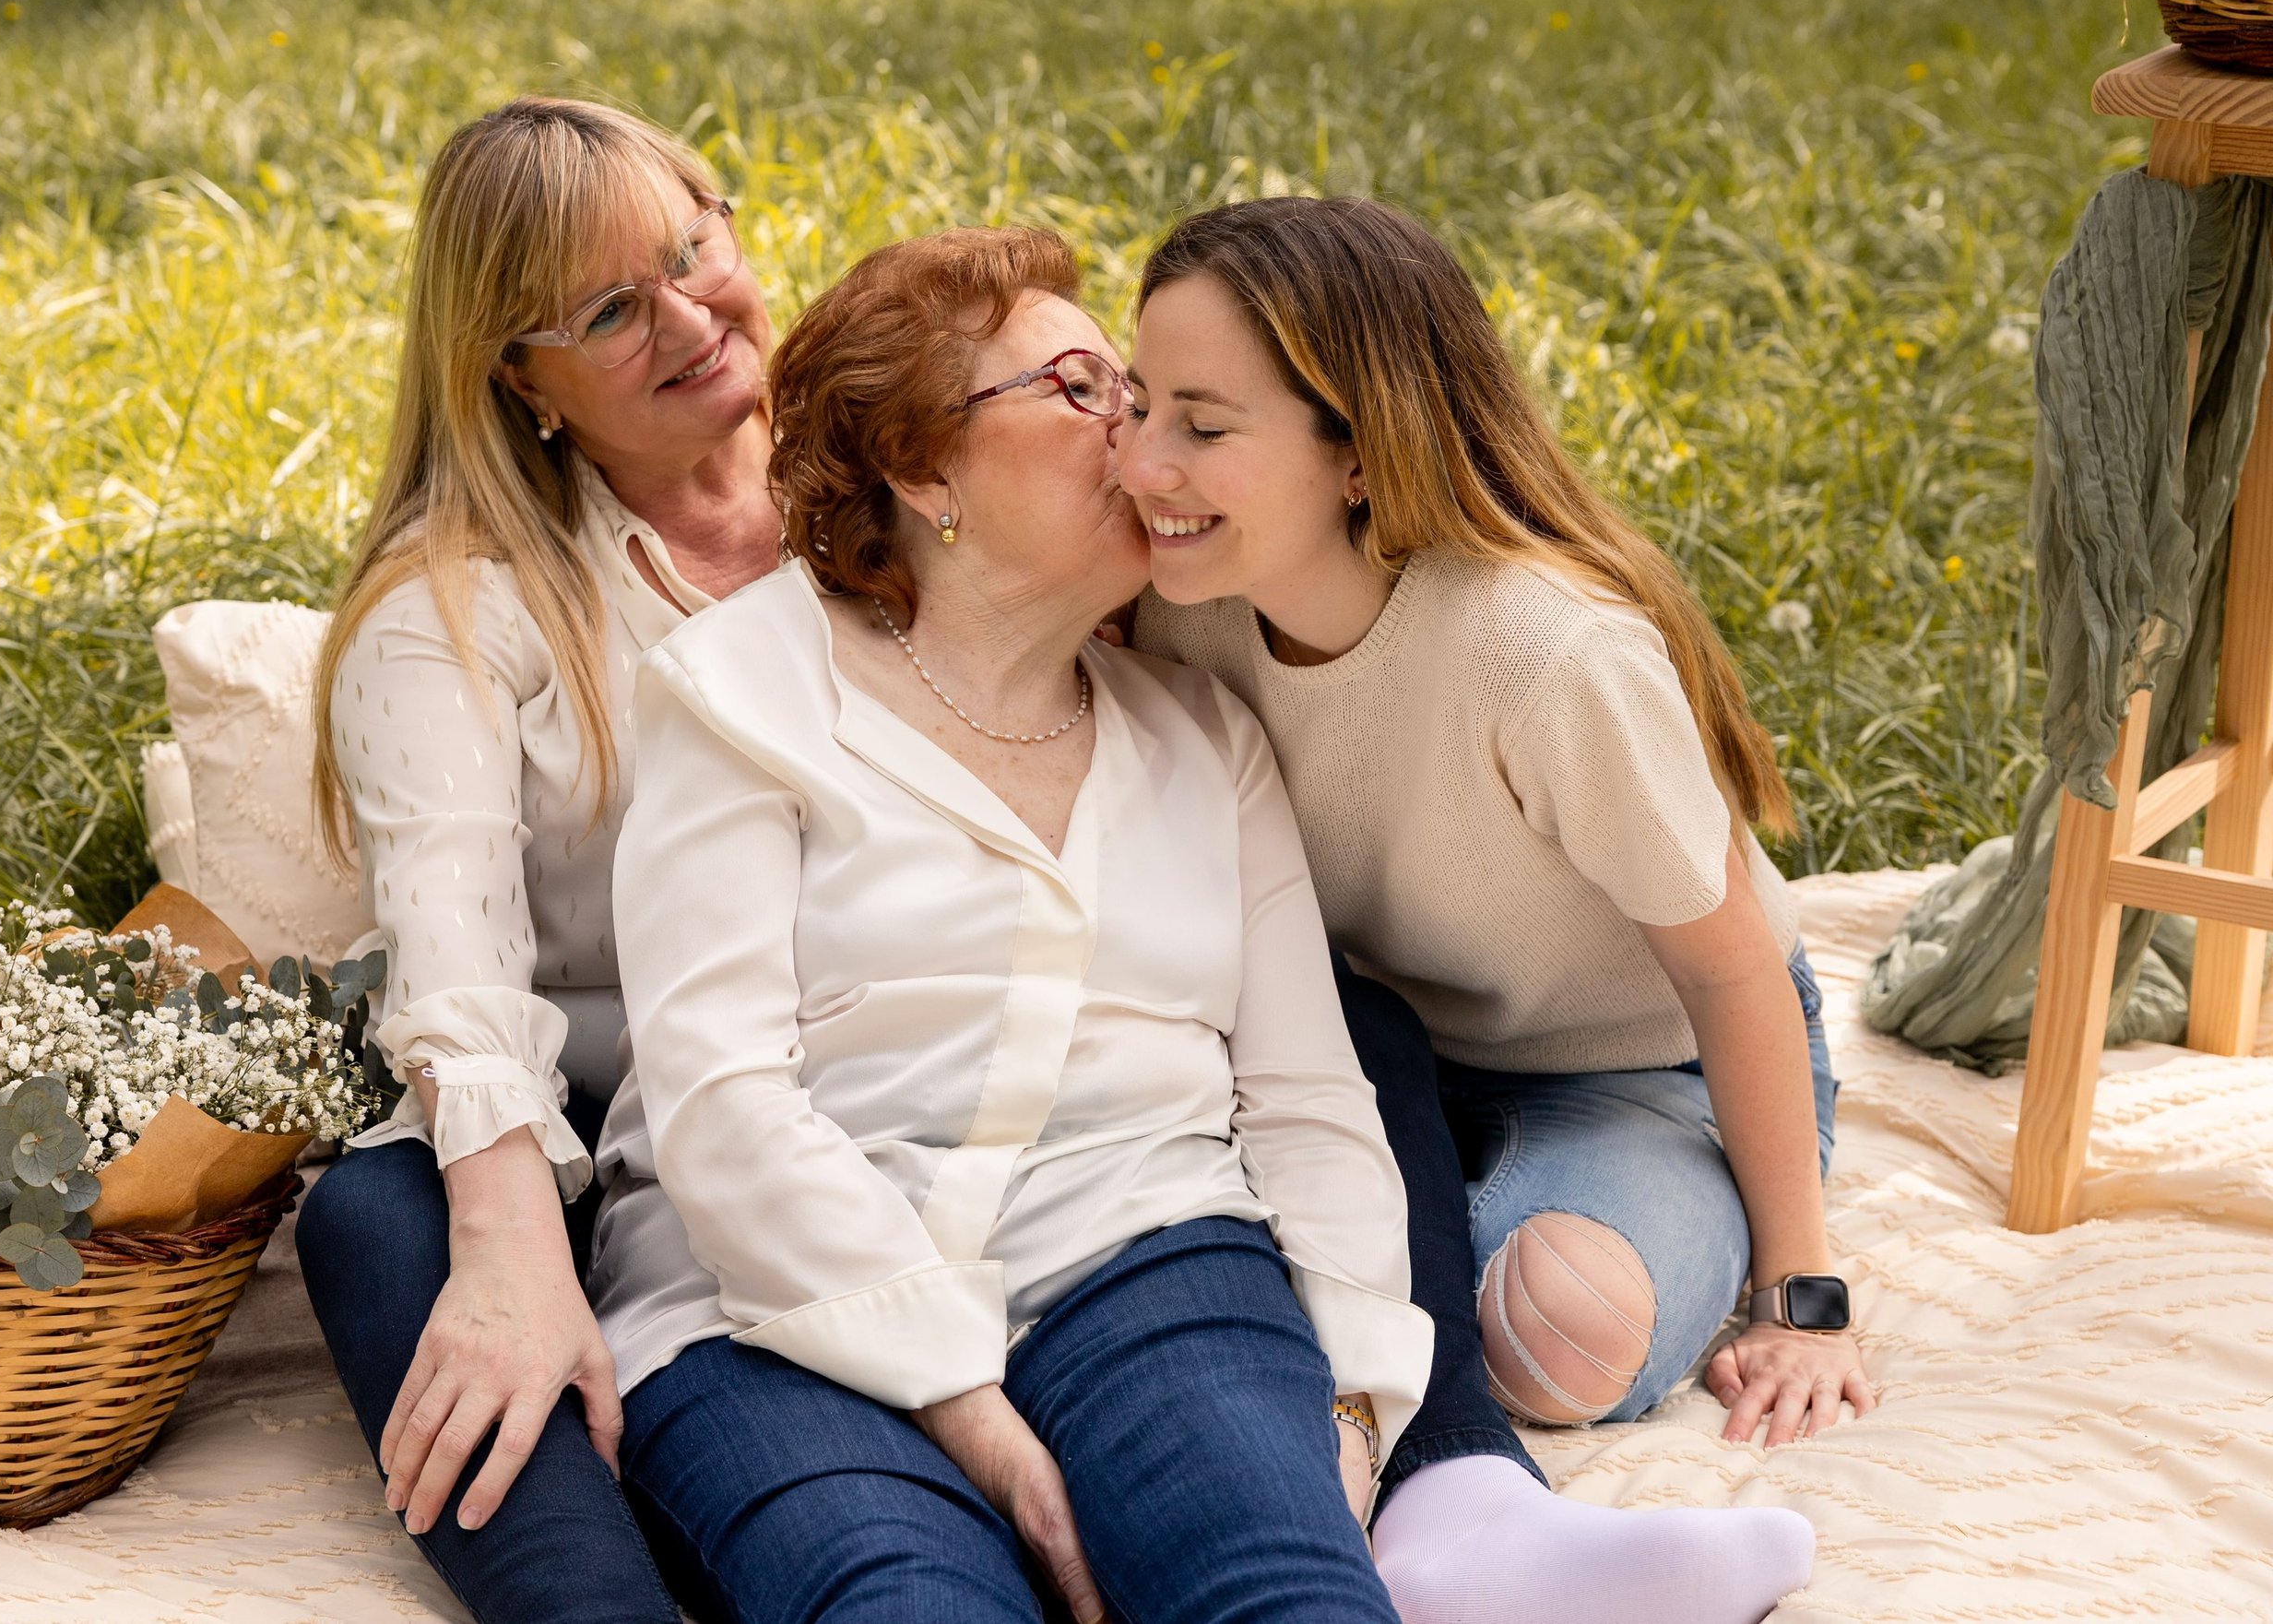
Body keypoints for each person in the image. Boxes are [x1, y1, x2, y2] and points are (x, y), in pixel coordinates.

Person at [591, 225, 1431, 1623]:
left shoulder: (1203, 736)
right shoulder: (741, 695)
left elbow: (1305, 1106)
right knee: (908, 1606)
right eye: (1085, 387)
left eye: (1149, 400)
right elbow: (724, 1109)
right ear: (925, 472)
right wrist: (975, 1415)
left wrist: (1344, 1421)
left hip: (1146, 1254)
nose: (1141, 436)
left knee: (1292, 1600)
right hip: (770, 1313)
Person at [1121, 196, 1841, 1624]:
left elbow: (1738, 974)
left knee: (1556, 1331)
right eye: (1140, 407)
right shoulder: (1182, 604)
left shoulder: (1545, 655)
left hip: (1648, 1072)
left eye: (1203, 425)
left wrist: (1803, 1291)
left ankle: (1473, 1507)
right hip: (1372, 1055)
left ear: (1359, 450)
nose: (1145, 465)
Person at [292, 96, 784, 1623]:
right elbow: (453, 978)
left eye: (694, 247)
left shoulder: (893, 484)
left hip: (853, 1068)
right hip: (588, 1110)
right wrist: (511, 1264)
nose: (694, 317)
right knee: (383, 1222)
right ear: (523, 380)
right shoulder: (455, 609)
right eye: (612, 312)